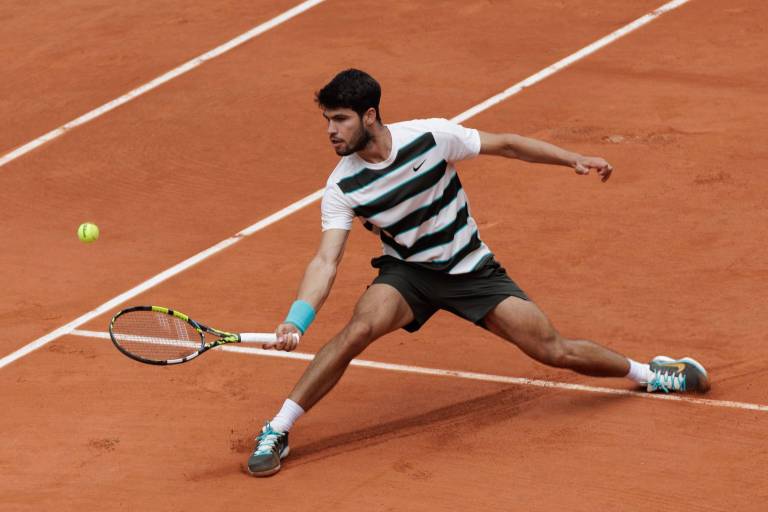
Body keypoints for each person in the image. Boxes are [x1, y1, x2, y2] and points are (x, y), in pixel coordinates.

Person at [246, 69, 710, 477]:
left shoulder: (429, 137)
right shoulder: (342, 185)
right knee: (357, 330)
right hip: (409, 274)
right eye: (327, 119)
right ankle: (277, 430)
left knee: (553, 349)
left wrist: (571, 158)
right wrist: (296, 319)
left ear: (370, 116)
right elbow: (326, 260)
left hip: (471, 270)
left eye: (340, 118)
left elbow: (506, 144)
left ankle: (650, 374)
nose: (330, 130)